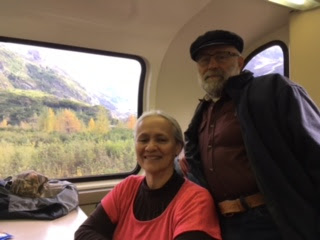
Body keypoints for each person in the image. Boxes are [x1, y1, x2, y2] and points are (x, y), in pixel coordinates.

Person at [176, 29, 320, 240]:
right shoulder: (204, 112)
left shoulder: (272, 90)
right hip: (223, 223)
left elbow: (315, 151)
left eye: (222, 56)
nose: (212, 65)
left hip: (272, 220)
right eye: (204, 60)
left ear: (240, 62)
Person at [75, 110, 222, 240]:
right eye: (143, 140)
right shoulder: (127, 187)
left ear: (177, 148)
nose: (150, 147)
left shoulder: (195, 199)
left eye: (161, 139)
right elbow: (84, 232)